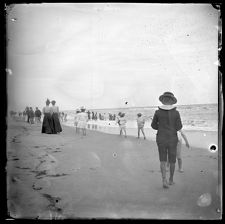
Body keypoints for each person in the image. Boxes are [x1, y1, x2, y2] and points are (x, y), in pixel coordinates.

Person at [151, 92, 183, 189]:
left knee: (163, 160)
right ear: (172, 101)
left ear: (163, 100)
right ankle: (171, 180)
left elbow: (153, 126)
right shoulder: (176, 113)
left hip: (161, 137)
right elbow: (179, 127)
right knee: (172, 160)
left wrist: (161, 127)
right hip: (172, 138)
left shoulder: (157, 112)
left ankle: (164, 180)